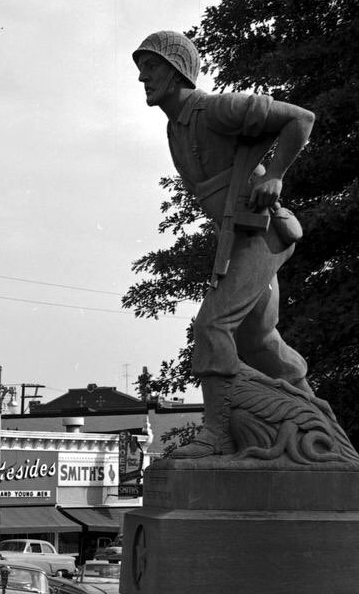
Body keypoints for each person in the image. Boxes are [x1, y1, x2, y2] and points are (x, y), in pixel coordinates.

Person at [133, 30, 315, 458]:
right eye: (141, 69)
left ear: (178, 70)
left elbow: (300, 119)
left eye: (152, 67)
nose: (143, 78)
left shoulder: (216, 109)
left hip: (263, 234)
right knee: (259, 340)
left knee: (211, 325)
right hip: (239, 239)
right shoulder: (176, 129)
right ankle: (314, 417)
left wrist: (275, 174)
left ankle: (218, 433)